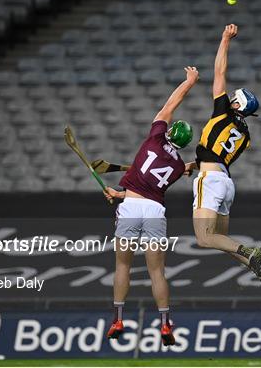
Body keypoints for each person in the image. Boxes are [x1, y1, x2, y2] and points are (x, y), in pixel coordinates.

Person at [102, 67, 199, 346]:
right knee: (157, 272)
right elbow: (153, 188)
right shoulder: (179, 165)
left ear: (170, 131)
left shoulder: (156, 136)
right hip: (154, 211)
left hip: (131, 207)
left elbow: (171, 103)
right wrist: (118, 194)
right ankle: (166, 323)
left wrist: (189, 81)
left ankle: (118, 318)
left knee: (122, 265)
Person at [191, 24, 261, 298]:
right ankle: (258, 268)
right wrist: (193, 164)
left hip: (211, 180)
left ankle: (249, 251)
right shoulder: (245, 134)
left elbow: (219, 72)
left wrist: (225, 39)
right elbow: (216, 153)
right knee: (222, 241)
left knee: (204, 239)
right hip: (226, 183)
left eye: (233, 99)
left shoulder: (222, 113)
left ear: (237, 106)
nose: (229, 98)